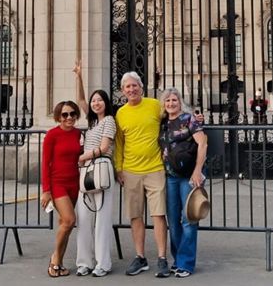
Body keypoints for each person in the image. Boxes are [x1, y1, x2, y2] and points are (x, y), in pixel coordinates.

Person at [113, 71, 171, 278]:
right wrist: (118, 168)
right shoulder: (121, 113)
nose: (131, 89)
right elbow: (119, 143)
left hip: (155, 168)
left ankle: (162, 258)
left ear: (141, 87)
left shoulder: (155, 105)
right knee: (135, 216)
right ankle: (140, 257)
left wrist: (195, 118)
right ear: (123, 91)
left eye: (134, 85)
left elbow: (174, 114)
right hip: (130, 171)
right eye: (127, 87)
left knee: (158, 214)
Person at [72, 61, 118, 277]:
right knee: (83, 218)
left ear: (106, 103)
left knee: (102, 219)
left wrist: (83, 156)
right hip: (87, 172)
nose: (95, 103)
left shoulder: (109, 120)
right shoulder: (91, 123)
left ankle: (103, 263)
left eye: (99, 100)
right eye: (93, 100)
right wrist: (79, 76)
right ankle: (84, 261)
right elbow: (80, 100)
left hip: (101, 169)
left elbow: (105, 147)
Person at [159, 88, 208, 278]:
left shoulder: (189, 119)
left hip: (189, 176)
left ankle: (186, 263)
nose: (171, 103)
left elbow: (203, 143)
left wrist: (197, 171)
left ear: (180, 102)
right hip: (170, 176)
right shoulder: (162, 123)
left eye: (174, 100)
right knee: (173, 220)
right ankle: (178, 259)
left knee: (189, 219)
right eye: (168, 100)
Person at [41, 100, 82, 277]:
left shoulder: (78, 134)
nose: (69, 117)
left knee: (65, 224)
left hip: (75, 182)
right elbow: (45, 163)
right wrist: (46, 190)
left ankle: (59, 262)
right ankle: (55, 259)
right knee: (69, 220)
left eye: (72, 113)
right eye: (65, 114)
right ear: (58, 116)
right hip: (57, 184)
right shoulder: (52, 135)